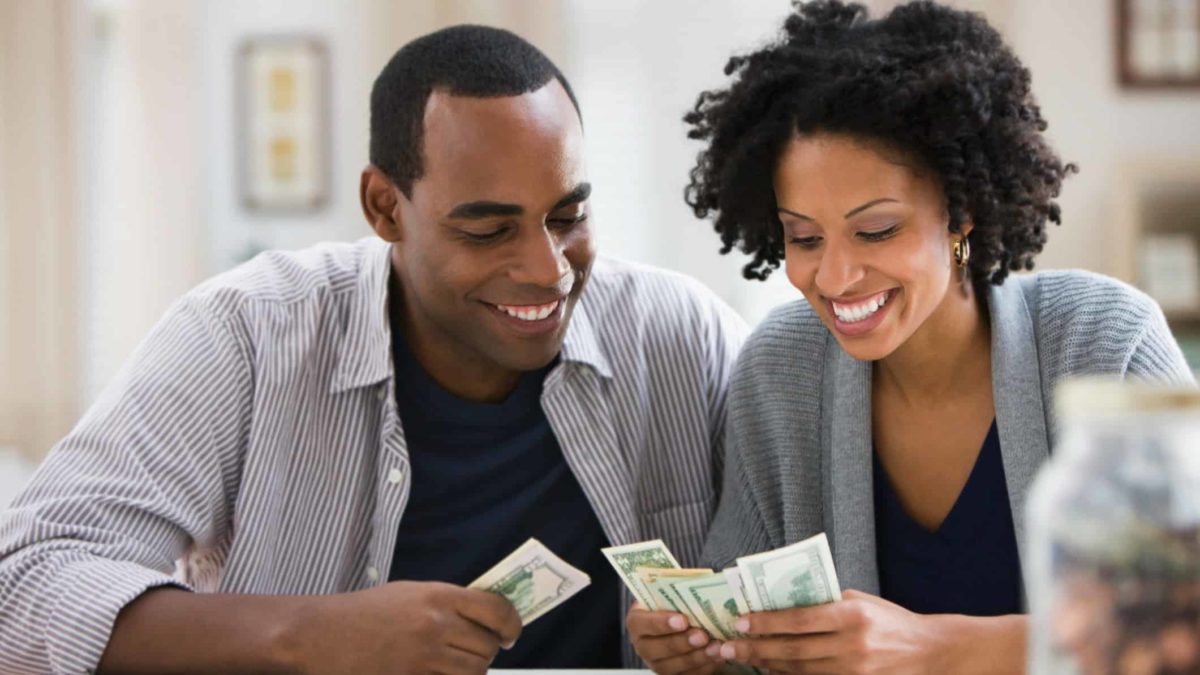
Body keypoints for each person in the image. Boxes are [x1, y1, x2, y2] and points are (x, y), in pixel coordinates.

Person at [0, 25, 748, 674]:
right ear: (385, 207)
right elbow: (24, 585)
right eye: (488, 230)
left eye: (568, 216)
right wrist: (311, 635)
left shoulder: (681, 336)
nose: (546, 269)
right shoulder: (247, 334)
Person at [627, 2, 1196, 674]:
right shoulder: (780, 369)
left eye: (876, 231)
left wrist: (935, 650)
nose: (833, 277)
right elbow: (751, 641)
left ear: (961, 212)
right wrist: (698, 648)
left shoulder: (1103, 340)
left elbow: (1179, 624)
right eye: (803, 237)